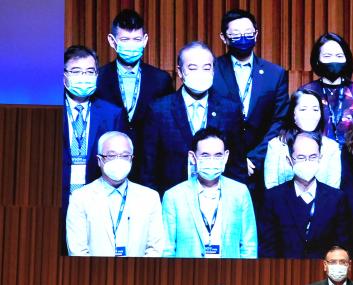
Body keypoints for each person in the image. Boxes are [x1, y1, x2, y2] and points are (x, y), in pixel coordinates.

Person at [140, 41, 245, 195]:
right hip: (172, 200)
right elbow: (148, 168)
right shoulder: (159, 110)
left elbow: (237, 166)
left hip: (219, 199)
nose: (200, 73)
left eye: (206, 68)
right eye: (192, 68)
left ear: (213, 71)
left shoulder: (230, 109)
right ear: (180, 72)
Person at [212, 9, 288, 180]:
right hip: (220, 163)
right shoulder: (212, 70)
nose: (243, 38)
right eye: (236, 35)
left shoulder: (275, 73)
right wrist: (233, 160)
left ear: (256, 34)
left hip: (262, 165)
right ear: (224, 37)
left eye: (248, 33)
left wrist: (254, 158)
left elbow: (280, 120)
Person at [160, 127, 258, 258]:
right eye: (205, 155)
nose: (212, 161)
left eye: (218, 155)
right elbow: (167, 250)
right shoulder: (173, 196)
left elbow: (249, 247)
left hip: (230, 275)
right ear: (192, 157)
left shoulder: (240, 193)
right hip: (187, 275)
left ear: (226, 156)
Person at [66, 131, 164, 257]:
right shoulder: (80, 198)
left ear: (132, 159)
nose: (118, 161)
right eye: (111, 155)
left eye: (124, 156)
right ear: (99, 160)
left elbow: (155, 248)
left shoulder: (150, 198)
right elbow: (77, 250)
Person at [259, 131, 347, 258]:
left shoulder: (336, 199)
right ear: (290, 160)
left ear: (320, 158)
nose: (307, 162)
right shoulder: (273, 198)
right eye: (301, 157)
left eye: (313, 157)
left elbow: (340, 246)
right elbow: (268, 248)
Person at [62, 45, 124, 207]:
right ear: (63, 76)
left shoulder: (112, 114)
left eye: (89, 72)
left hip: (97, 201)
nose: (83, 76)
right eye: (76, 71)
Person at [95, 9, 173, 136]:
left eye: (137, 39)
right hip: (110, 153)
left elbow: (167, 124)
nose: (131, 45)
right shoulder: (99, 78)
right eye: (125, 39)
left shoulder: (161, 80)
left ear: (145, 40)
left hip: (148, 154)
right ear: (112, 41)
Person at [263, 89, 341, 189]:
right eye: (303, 109)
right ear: (293, 113)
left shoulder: (331, 147)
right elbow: (271, 187)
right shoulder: (276, 146)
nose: (310, 115)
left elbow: (333, 189)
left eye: (315, 109)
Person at [300, 32, 353, 145]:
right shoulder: (307, 92)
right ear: (317, 60)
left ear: (347, 59)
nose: (333, 60)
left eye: (339, 56)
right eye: (327, 56)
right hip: (318, 156)